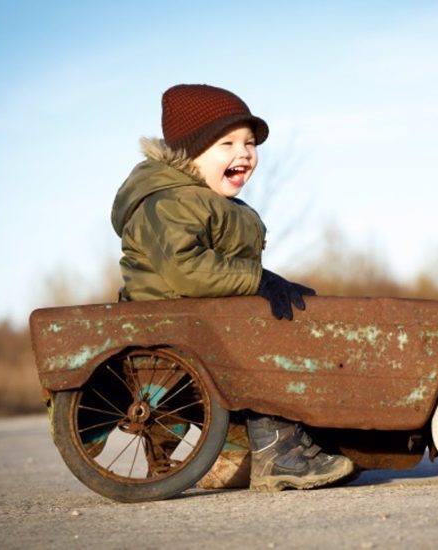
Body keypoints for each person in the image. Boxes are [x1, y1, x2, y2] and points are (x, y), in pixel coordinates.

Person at [110, 84, 355, 491]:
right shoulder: (168, 202)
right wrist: (256, 280)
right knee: (263, 342)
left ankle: (241, 449)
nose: (244, 153)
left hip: (198, 322)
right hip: (173, 328)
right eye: (227, 143)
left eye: (250, 143)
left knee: (277, 318)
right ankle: (279, 452)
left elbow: (221, 269)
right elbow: (185, 269)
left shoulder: (204, 201)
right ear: (188, 153)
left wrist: (269, 281)